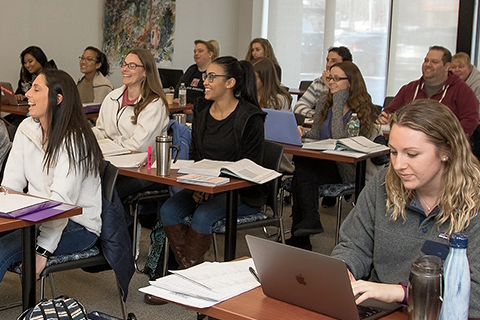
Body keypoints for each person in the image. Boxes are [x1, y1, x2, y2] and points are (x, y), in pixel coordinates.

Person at [331, 100, 480, 317]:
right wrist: (344, 269)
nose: (399, 165)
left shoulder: (474, 200)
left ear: (446, 152)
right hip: (380, 309)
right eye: (393, 152)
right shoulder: (382, 184)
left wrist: (401, 293)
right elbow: (353, 244)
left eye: (412, 154)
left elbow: (475, 293)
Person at [148, 57, 265, 305]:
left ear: (231, 83)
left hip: (239, 192)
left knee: (202, 217)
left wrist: (212, 188)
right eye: (206, 76)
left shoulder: (250, 117)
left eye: (212, 77)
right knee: (168, 210)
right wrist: (198, 187)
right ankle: (190, 276)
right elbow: (198, 157)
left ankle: (184, 282)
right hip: (203, 186)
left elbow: (249, 167)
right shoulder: (201, 110)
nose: (205, 82)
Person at [0, 69, 103, 281]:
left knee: (2, 251)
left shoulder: (75, 140)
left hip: (77, 225)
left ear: (57, 99)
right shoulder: (26, 128)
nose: (27, 94)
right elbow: (12, 183)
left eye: (36, 89)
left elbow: (61, 204)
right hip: (35, 217)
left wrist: (43, 250)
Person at [288, 61, 380, 251]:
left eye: (337, 79)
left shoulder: (364, 108)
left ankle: (304, 231)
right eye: (330, 78)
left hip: (347, 168)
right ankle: (307, 225)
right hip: (323, 165)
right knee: (302, 167)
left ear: (351, 82)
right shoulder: (323, 102)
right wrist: (302, 133)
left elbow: (340, 139)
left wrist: (339, 101)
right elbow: (316, 133)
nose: (331, 82)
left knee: (302, 171)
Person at [92, 48, 169, 199]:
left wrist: (111, 144)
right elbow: (101, 130)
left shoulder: (154, 103)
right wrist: (86, 135)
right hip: (112, 165)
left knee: (107, 192)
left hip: (144, 170)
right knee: (86, 185)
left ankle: (119, 223)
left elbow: (139, 146)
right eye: (124, 64)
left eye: (132, 66)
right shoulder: (112, 97)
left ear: (146, 72)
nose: (125, 69)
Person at [379, 46, 479, 137]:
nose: (428, 65)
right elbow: (389, 111)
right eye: (426, 61)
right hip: (408, 143)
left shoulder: (461, 90)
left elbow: (471, 120)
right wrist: (385, 117)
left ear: (447, 66)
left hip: (444, 148)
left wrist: (448, 137)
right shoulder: (410, 88)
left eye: (434, 62)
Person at [293, 46, 353, 118]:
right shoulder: (319, 82)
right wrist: (317, 116)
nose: (328, 65)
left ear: (346, 64)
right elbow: (298, 107)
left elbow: (339, 114)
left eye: (334, 61)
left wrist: (329, 86)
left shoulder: (350, 83)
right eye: (328, 60)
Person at [175, 39, 219, 106]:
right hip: (183, 107)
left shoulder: (214, 72)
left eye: (200, 51)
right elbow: (179, 87)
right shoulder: (192, 69)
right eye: (195, 51)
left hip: (201, 111)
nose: (196, 54)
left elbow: (211, 99)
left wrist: (193, 109)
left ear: (210, 54)